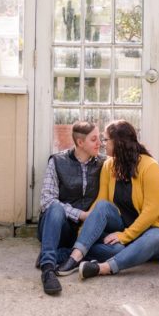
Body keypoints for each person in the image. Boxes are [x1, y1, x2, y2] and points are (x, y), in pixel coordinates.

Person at [56, 120, 159, 279]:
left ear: (119, 142)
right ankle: (75, 256)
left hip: (149, 231)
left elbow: (151, 213)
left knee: (158, 237)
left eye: (106, 139)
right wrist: (84, 232)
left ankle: (101, 268)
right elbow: (101, 201)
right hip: (122, 229)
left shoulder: (150, 168)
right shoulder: (109, 166)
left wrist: (125, 236)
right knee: (104, 211)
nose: (102, 144)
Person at [37, 120, 104, 295]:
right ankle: (48, 269)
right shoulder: (57, 161)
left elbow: (134, 162)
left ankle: (60, 254)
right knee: (56, 208)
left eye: (100, 139)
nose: (100, 143)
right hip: (58, 227)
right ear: (80, 142)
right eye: (94, 139)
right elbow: (47, 200)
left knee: (115, 250)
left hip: (82, 234)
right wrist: (81, 215)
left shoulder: (104, 163)